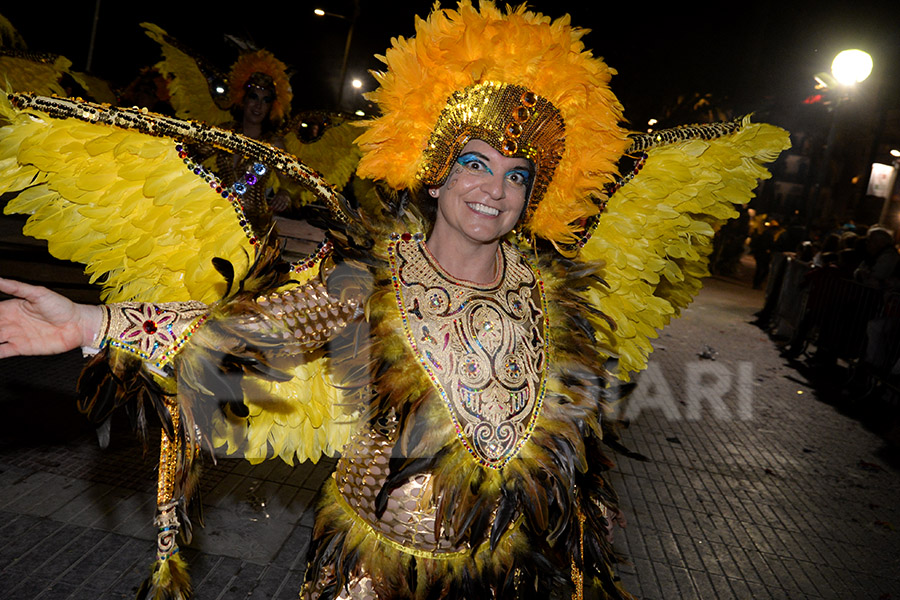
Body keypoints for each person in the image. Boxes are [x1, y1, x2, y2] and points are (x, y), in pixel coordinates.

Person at [0, 2, 790, 598]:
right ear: (439, 170)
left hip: (504, 573)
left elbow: (570, 420)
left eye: (518, 176)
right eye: (478, 163)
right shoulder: (369, 280)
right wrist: (89, 322)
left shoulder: (553, 297)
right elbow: (245, 335)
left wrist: (583, 504)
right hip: (370, 575)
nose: (494, 191)